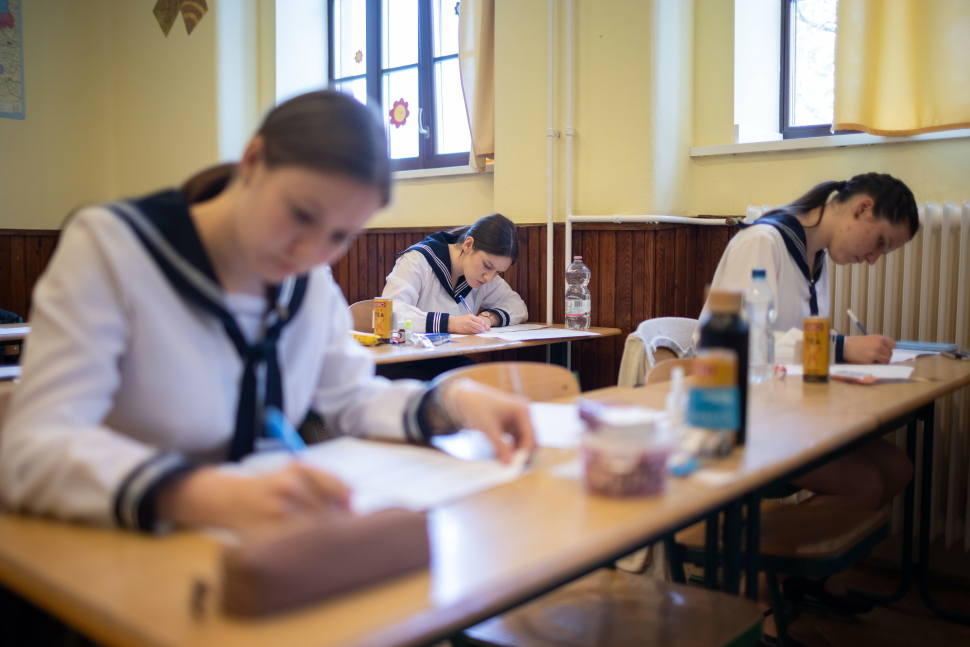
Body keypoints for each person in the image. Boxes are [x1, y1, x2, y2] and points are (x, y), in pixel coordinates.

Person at [0, 90, 535, 536]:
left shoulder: (307, 279)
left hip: (263, 547)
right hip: (132, 545)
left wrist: (453, 402)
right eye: (300, 214)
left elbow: (351, 397)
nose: (309, 253)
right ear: (253, 162)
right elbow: (30, 448)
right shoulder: (115, 249)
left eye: (339, 237)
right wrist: (201, 494)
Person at [705, 172, 919, 634]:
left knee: (897, 467)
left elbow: (797, 343)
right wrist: (839, 349)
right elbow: (729, 343)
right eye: (880, 242)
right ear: (860, 208)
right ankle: (757, 589)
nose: (874, 259)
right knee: (863, 483)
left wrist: (837, 356)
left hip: (790, 416)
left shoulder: (815, 258)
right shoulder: (762, 242)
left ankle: (808, 577)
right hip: (743, 419)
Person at [377, 213, 528, 380]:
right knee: (467, 383)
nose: (489, 278)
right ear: (468, 244)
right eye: (487, 266)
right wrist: (451, 323)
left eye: (498, 272)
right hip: (402, 360)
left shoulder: (483, 275)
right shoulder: (418, 260)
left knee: (478, 377)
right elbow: (390, 313)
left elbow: (517, 306)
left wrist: (488, 318)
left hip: (444, 358)